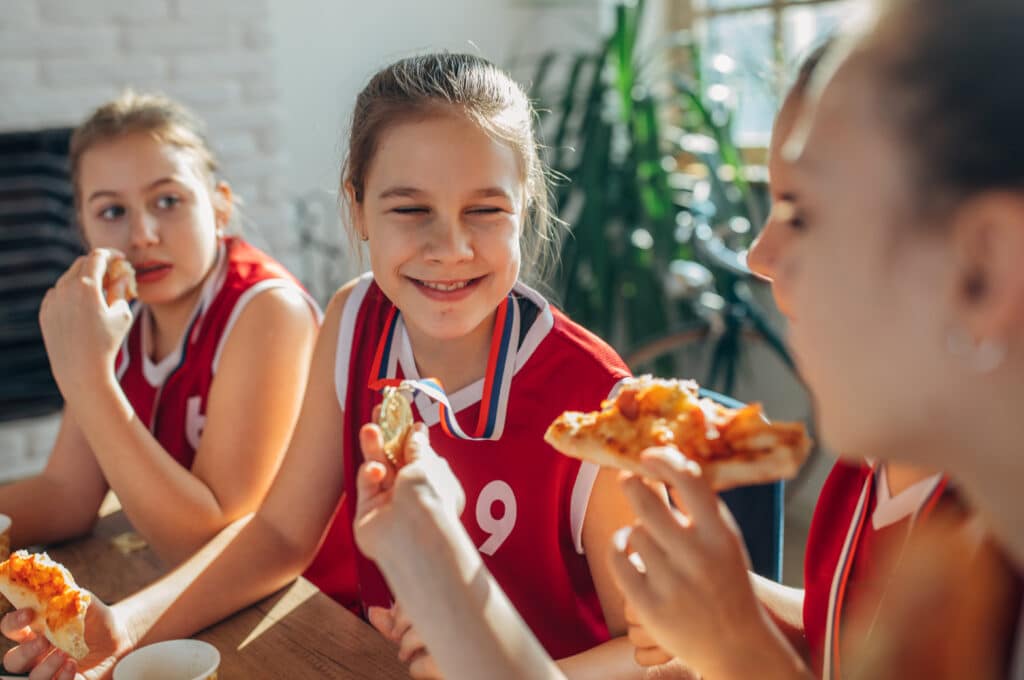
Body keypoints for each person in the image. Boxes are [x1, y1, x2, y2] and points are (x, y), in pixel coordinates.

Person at [1, 54, 662, 679]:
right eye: (410, 209)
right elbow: (281, 533)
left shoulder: (600, 406)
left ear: (526, 210)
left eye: (485, 211)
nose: (450, 247)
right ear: (358, 210)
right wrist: (123, 625)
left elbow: (670, 651)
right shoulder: (354, 318)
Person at [613, 0, 1024, 677]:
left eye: (802, 212)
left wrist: (739, 652)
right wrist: (727, 607)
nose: (760, 256)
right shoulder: (920, 535)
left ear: (984, 269)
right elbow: (844, 628)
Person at [0, 91, 319, 567]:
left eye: (168, 200)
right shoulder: (116, 314)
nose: (142, 235)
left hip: (320, 607)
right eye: (112, 212)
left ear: (220, 207)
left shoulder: (269, 309)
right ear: (84, 230)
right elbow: (66, 494)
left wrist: (88, 378)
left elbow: (210, 545)